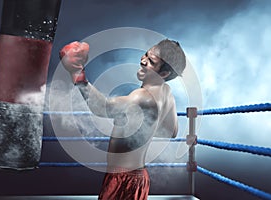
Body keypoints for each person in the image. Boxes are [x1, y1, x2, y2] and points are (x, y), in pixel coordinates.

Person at [59, 39, 186, 200]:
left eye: (151, 61)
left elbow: (101, 108)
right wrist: (141, 125)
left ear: (164, 74)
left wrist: (76, 72)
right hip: (139, 177)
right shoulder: (166, 93)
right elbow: (171, 131)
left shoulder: (142, 96)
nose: (143, 60)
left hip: (123, 179)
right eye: (146, 54)